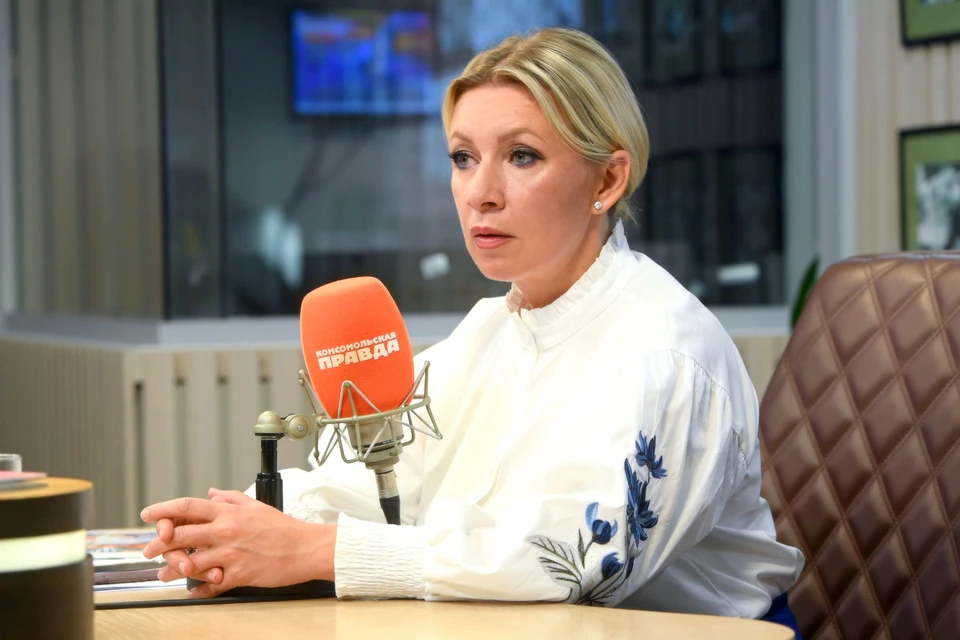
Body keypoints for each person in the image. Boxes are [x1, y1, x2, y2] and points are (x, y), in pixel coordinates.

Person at [140, 27, 804, 632]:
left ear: (608, 178)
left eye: (522, 156)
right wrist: (241, 526)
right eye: (463, 158)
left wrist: (318, 549)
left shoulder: (665, 352)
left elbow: (571, 565)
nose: (481, 192)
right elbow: (379, 479)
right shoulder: (490, 330)